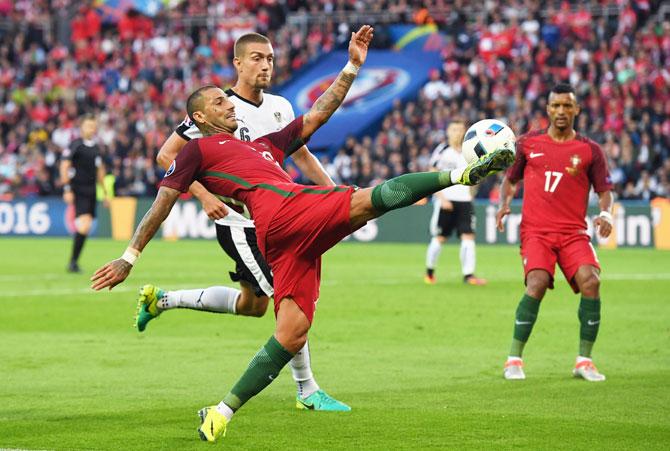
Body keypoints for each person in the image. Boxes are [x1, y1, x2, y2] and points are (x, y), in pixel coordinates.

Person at [92, 25, 513, 442]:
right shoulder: (198, 150)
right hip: (285, 214)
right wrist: (129, 256)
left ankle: (220, 412)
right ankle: (461, 173)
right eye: (219, 102)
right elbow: (163, 200)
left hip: (283, 238)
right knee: (368, 200)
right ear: (201, 117)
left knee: (290, 330)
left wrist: (350, 68)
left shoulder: (263, 145)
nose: (228, 105)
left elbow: (315, 119)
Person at [142, 32, 346, 412]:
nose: (266, 65)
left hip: (278, 219)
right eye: (256, 58)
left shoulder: (281, 107)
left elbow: (301, 157)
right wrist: (203, 195)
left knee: (253, 305)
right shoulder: (218, 107)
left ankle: (162, 300)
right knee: (287, 299)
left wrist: (335, 197)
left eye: (270, 57)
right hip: (240, 223)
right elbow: (167, 155)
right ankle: (307, 389)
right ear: (238, 64)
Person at [495, 83, 614, 382]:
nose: (561, 111)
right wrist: (504, 204)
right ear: (547, 109)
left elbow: (604, 191)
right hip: (537, 231)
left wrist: (605, 213)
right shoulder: (527, 144)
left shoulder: (590, 150)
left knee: (592, 281)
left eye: (567, 106)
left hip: (574, 233)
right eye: (556, 106)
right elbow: (510, 181)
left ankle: (584, 361)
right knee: (537, 282)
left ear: (576, 110)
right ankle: (513, 359)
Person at [424, 119, 487, 286]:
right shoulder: (442, 150)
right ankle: (429, 272)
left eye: (460, 129)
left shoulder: (472, 150)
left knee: (468, 236)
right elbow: (431, 174)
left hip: (465, 200)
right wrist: (441, 198)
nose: (457, 133)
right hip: (447, 201)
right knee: (440, 237)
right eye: (453, 129)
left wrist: (472, 191)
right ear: (448, 132)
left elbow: (478, 174)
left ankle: (468, 275)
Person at [59, 114, 109, 273]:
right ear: (81, 128)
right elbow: (64, 166)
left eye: (93, 126)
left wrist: (106, 193)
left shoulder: (96, 148)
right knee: (84, 224)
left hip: (91, 190)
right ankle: (73, 262)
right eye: (88, 126)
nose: (91, 129)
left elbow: (100, 171)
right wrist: (67, 189)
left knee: (85, 227)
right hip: (78, 189)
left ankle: (73, 262)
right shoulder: (76, 145)